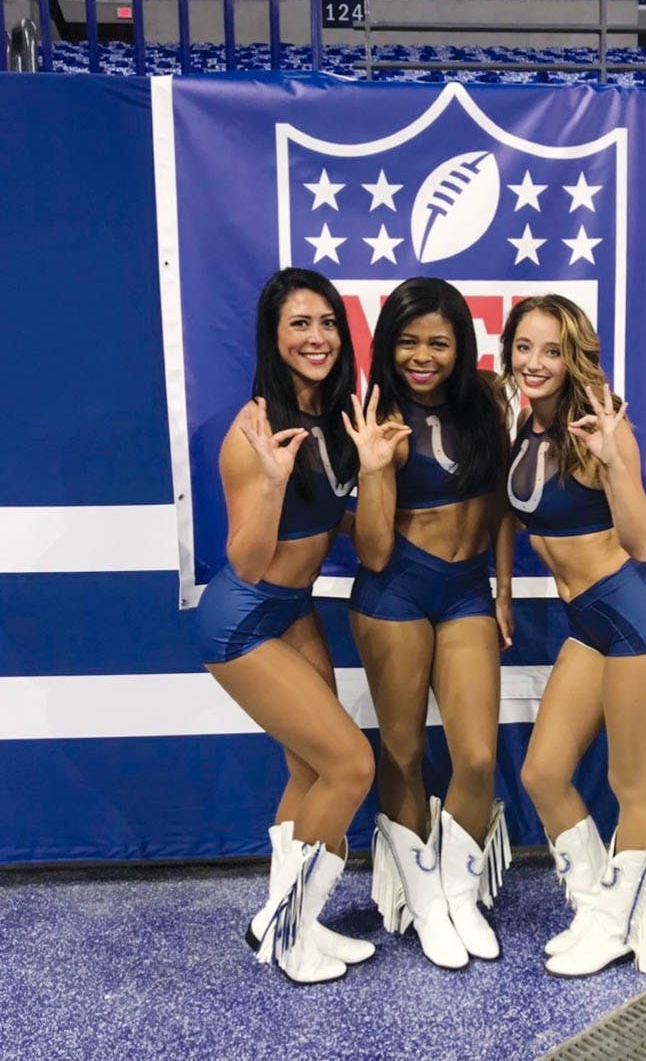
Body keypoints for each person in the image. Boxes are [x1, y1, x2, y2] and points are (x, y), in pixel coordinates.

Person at [195, 267, 377, 985]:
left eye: (327, 322)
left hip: (294, 612)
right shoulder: (253, 431)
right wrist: (269, 483)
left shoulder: (336, 420)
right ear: (274, 337)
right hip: (242, 623)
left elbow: (354, 530)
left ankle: (289, 916)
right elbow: (243, 557)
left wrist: (382, 474)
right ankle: (285, 927)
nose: (317, 336)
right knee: (350, 766)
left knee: (309, 770)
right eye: (300, 324)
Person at [499, 295, 646, 978]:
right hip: (586, 625)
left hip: (635, 619)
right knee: (542, 771)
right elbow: (506, 517)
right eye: (524, 347)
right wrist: (498, 589)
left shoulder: (599, 428)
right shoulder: (520, 423)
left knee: (630, 784)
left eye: (550, 350)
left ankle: (619, 923)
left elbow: (642, 542)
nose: (535, 363)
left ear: (572, 354)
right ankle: (592, 904)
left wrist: (611, 462)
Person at [343, 277, 514, 969]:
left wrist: (503, 589)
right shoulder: (374, 412)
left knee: (476, 755)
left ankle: (457, 892)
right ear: (388, 344)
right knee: (405, 752)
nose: (422, 355)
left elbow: (501, 503)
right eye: (408, 341)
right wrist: (377, 468)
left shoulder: (488, 400)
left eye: (437, 342)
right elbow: (374, 550)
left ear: (458, 345)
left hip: (468, 590)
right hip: (395, 592)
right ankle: (423, 901)